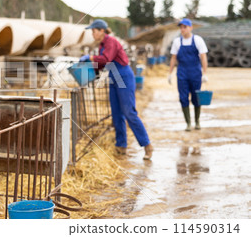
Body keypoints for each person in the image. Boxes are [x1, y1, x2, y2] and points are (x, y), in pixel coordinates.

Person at [80, 19, 153, 160]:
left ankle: (147, 145)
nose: (92, 34)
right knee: (116, 113)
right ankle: (121, 146)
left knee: (129, 112)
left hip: (124, 76)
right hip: (114, 76)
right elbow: (101, 65)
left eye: (93, 31)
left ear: (101, 30)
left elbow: (106, 58)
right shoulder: (102, 44)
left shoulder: (110, 41)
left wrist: (90, 57)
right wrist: (87, 69)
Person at [168, 18, 208, 131]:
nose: (182, 29)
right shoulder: (177, 42)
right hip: (182, 73)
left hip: (195, 72)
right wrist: (170, 73)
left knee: (196, 97)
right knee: (183, 97)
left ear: (190, 28)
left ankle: (197, 121)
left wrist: (204, 73)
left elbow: (203, 57)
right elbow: (173, 58)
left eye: (184, 27)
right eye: (181, 27)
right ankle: (188, 123)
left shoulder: (198, 40)